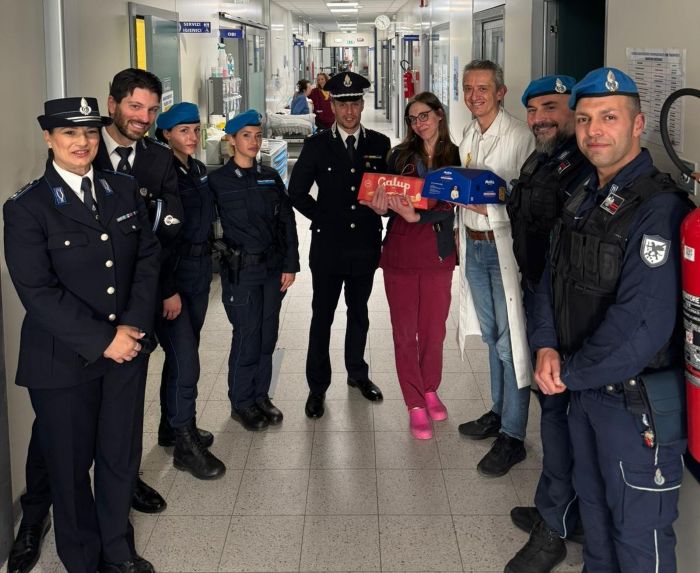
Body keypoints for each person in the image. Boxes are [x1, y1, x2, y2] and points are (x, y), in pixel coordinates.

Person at [530, 68, 693, 572]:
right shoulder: (584, 193)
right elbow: (550, 277)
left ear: (637, 124)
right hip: (584, 396)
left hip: (633, 406)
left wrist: (568, 372)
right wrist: (545, 344)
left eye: (609, 117)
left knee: (639, 542)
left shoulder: (660, 208)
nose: (594, 130)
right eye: (584, 119)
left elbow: (640, 327)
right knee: (597, 529)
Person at [4, 97, 161, 573]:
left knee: (118, 457)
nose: (82, 142)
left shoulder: (123, 189)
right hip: (62, 361)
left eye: (90, 132)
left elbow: (147, 260)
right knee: (69, 469)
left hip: (126, 351)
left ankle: (118, 549)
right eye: (70, 133)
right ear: (49, 138)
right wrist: (104, 339)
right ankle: (83, 559)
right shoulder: (27, 207)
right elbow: (37, 290)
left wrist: (131, 326)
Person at [503, 75, 593, 573]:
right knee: (555, 415)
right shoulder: (541, 159)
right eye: (534, 109)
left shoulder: (585, 168)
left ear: (573, 111)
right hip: (541, 295)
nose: (540, 118)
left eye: (551, 107)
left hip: (568, 311)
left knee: (563, 418)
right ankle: (559, 510)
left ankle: (556, 526)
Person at [288, 71, 391, 419]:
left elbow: (391, 192)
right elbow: (296, 192)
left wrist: (387, 208)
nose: (349, 111)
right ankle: (317, 387)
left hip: (364, 245)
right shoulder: (317, 145)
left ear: (362, 105)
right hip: (328, 248)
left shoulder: (379, 144)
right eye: (342, 104)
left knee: (359, 313)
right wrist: (323, 216)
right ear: (332, 106)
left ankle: (357, 373)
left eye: (355, 103)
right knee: (323, 316)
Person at [362, 92, 460, 440]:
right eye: (413, 119)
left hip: (437, 254)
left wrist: (417, 216)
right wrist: (380, 207)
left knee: (434, 331)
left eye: (424, 116)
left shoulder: (456, 155)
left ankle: (430, 388)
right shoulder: (399, 155)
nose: (419, 124)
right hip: (401, 254)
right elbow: (385, 200)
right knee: (405, 333)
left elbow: (451, 206)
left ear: (439, 114)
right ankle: (415, 402)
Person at [455, 59, 535, 477]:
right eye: (468, 88)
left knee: (511, 343)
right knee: (491, 338)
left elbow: (529, 203)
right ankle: (498, 411)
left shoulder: (520, 137)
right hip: (474, 246)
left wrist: (489, 207)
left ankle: (513, 435)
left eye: (483, 88)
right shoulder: (469, 132)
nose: (475, 96)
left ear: (500, 92)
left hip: (503, 249)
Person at [208, 109, 300, 431]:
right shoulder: (217, 182)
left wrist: (291, 264)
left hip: (272, 270)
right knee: (247, 336)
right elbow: (201, 227)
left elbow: (287, 222)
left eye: (257, 136)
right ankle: (241, 402)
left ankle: (261, 396)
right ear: (231, 140)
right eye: (246, 136)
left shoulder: (269, 177)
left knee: (267, 335)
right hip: (242, 273)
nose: (254, 141)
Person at [153, 102, 225, 479]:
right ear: (166, 134)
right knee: (186, 360)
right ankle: (184, 443)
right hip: (173, 277)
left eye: (196, 130)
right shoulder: (160, 172)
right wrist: (167, 289)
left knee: (182, 356)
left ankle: (171, 426)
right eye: (184, 131)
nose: (193, 137)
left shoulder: (195, 169)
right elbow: (156, 240)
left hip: (197, 274)